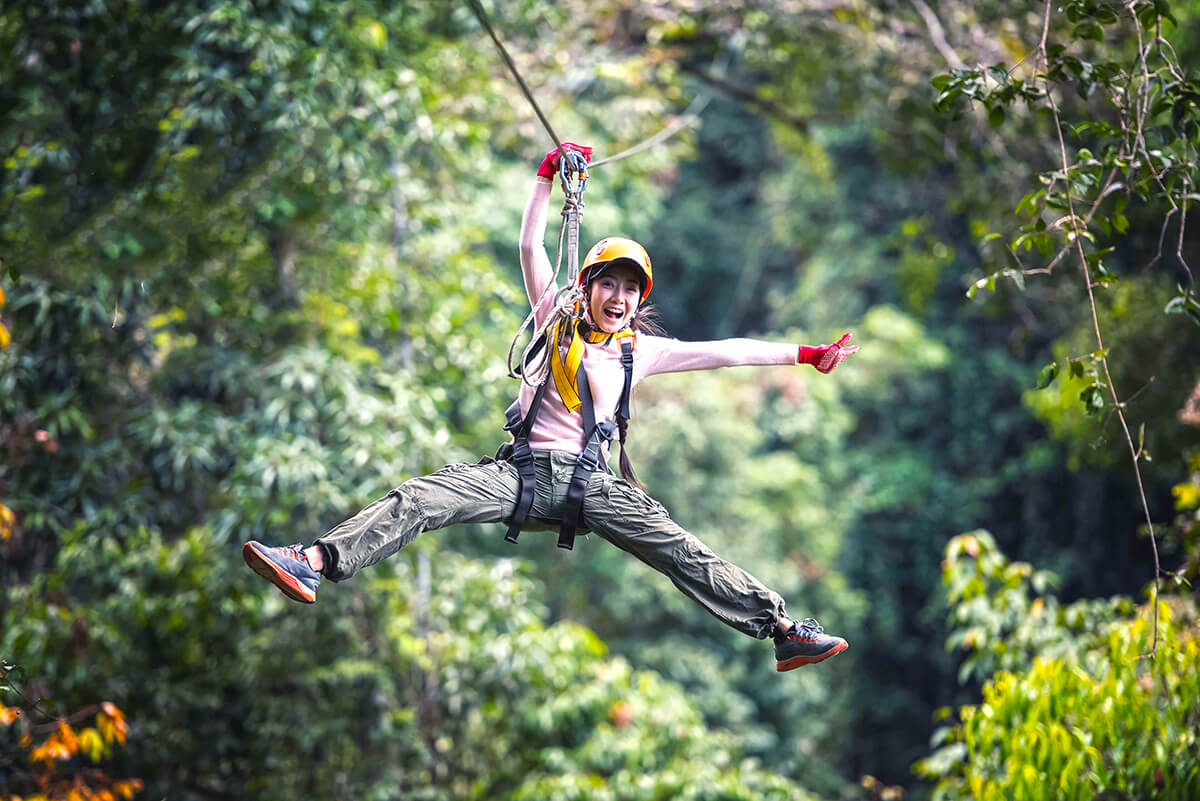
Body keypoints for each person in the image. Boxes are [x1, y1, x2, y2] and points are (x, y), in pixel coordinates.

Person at [243, 142, 859, 671]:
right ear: (587, 287)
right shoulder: (552, 321)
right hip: (522, 475)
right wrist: (545, 177)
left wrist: (807, 354)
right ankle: (314, 559)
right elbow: (531, 245)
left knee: (682, 552)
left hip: (595, 486)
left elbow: (728, 352)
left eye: (627, 288)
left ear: (637, 298)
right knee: (422, 498)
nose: (616, 297)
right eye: (606, 284)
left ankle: (783, 632)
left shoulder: (638, 352)